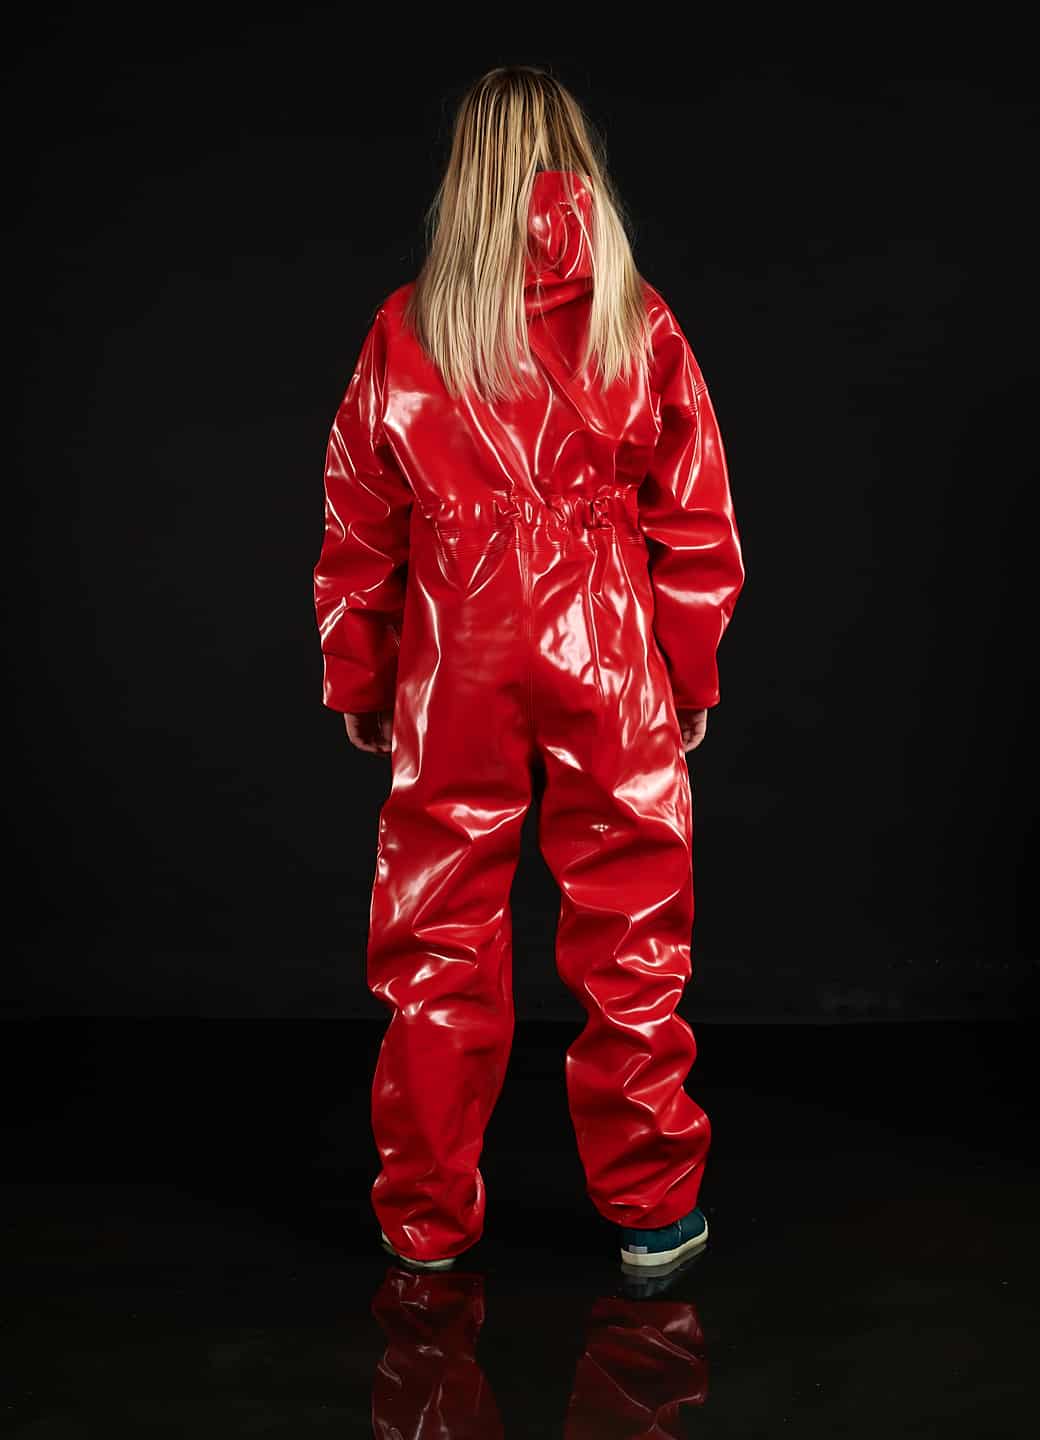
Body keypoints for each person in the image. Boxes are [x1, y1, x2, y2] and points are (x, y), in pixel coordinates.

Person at [313, 65, 745, 1271]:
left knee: (435, 929)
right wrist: (687, 674)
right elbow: (693, 517)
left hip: (454, 651)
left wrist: (362, 673)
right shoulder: (632, 316)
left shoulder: (411, 323)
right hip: (605, 645)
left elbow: (359, 519)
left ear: (466, 175)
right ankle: (652, 1211)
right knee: (632, 926)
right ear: (576, 165)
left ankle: (424, 1219)